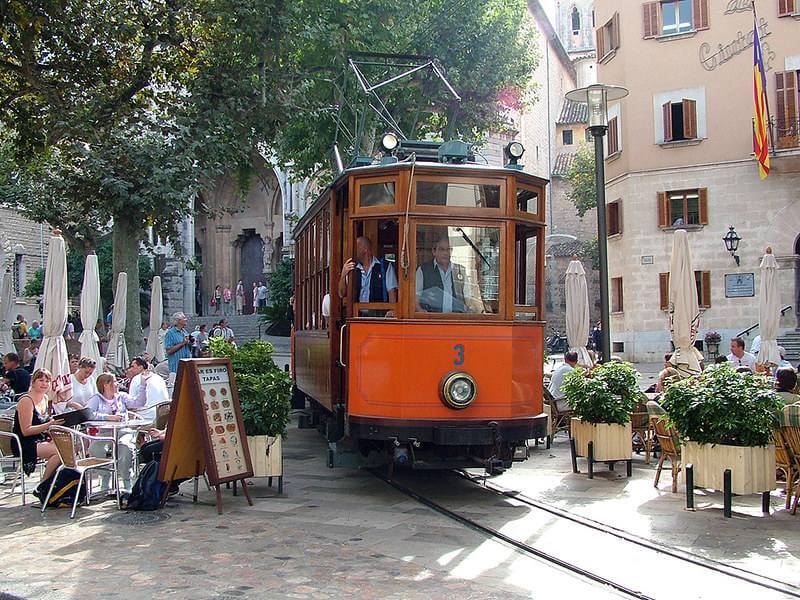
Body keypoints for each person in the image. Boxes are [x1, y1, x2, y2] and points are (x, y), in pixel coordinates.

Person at [86, 373, 147, 492]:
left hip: (123, 431)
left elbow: (138, 403)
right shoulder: (96, 399)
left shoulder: (122, 397)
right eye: (114, 382)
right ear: (106, 385)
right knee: (96, 449)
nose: (117, 384)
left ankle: (126, 482)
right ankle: (105, 478)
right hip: (105, 432)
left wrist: (143, 386)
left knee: (125, 447)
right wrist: (107, 417)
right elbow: (89, 414)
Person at [12, 369, 64, 480]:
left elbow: (45, 422)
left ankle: (54, 484)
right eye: (41, 380)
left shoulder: (45, 398)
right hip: (24, 442)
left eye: (47, 381)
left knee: (67, 448)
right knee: (60, 453)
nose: (44, 384)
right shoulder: (26, 401)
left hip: (40, 438)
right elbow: (26, 431)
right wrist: (48, 425)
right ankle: (43, 485)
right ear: (33, 382)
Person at [339, 236, 398, 306]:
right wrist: (343, 274)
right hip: (357, 314)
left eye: (356, 247)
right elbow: (341, 293)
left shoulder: (386, 266)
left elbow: (392, 292)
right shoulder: (352, 268)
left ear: (365, 249)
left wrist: (391, 311)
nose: (353, 250)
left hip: (379, 314)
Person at [415, 236, 467, 313]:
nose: (445, 253)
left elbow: (468, 299)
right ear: (434, 251)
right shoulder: (423, 270)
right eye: (441, 249)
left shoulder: (460, 270)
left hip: (456, 320)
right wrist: (422, 312)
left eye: (448, 249)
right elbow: (415, 298)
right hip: (432, 320)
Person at [127, 356, 170, 421]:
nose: (130, 369)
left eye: (132, 367)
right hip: (163, 418)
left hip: (145, 418)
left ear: (140, 367)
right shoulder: (159, 378)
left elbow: (131, 405)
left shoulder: (136, 379)